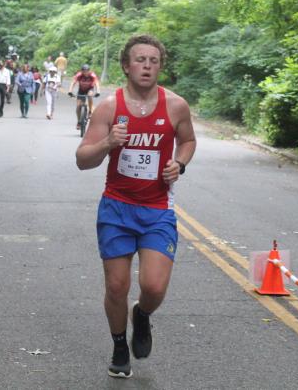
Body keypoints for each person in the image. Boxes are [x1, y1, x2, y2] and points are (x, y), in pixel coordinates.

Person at [75, 34, 196, 379]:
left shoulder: (176, 106)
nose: (147, 66)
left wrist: (179, 164)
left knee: (154, 287)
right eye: (140, 60)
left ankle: (141, 315)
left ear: (160, 67)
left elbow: (188, 140)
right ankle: (118, 345)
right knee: (117, 286)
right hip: (117, 208)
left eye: (153, 61)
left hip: (157, 209)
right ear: (126, 66)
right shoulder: (109, 107)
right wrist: (107, 143)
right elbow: (83, 159)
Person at [68, 64, 100, 130]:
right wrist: (70, 91)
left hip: (89, 89)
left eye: (87, 71)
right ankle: (79, 122)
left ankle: (90, 111)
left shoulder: (92, 75)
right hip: (81, 90)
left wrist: (98, 91)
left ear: (89, 71)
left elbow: (96, 83)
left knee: (90, 95)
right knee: (78, 106)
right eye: (84, 71)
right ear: (82, 71)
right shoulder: (79, 75)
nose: (85, 72)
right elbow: (73, 82)